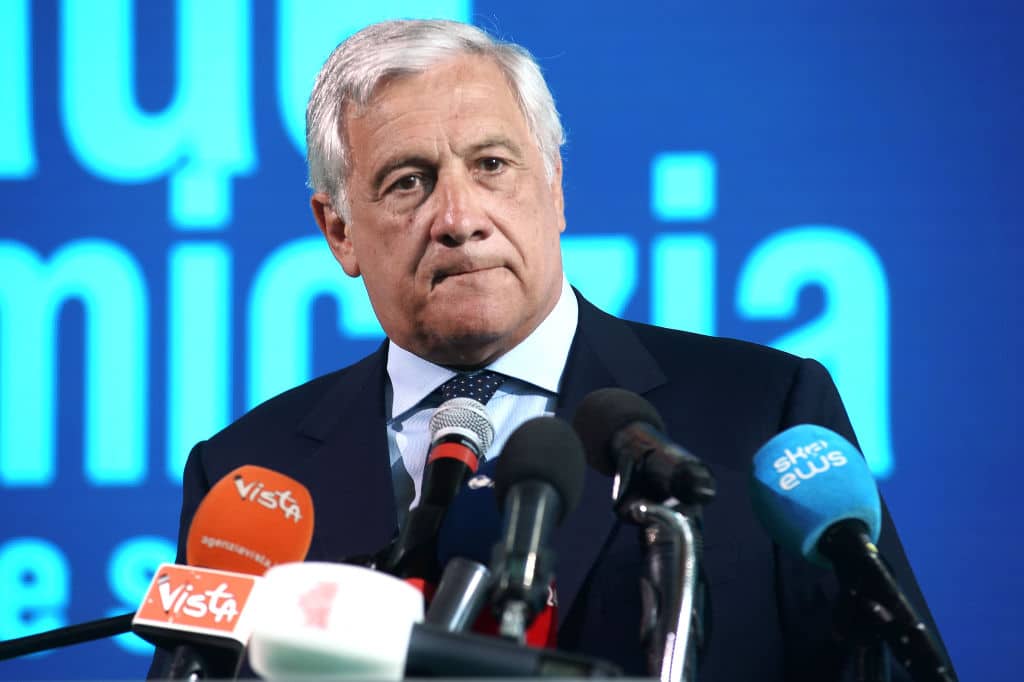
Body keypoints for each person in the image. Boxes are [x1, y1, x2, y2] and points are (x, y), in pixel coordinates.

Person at [150, 19, 950, 680]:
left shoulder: (759, 412)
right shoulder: (248, 472)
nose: (459, 218)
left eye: (491, 165)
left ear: (555, 186)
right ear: (339, 232)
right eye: (408, 182)